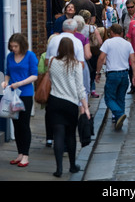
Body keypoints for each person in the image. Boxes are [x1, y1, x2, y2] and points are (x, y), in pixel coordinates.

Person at [47, 37, 90, 177]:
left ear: (60, 48)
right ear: (72, 49)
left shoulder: (52, 61)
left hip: (54, 101)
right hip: (70, 103)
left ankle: (58, 168)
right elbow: (80, 88)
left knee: (58, 135)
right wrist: (85, 107)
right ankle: (72, 166)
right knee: (71, 135)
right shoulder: (76, 64)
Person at [1, 33, 38, 167]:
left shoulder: (30, 56)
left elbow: (34, 76)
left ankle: (26, 155)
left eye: (15, 46)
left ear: (21, 45)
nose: (13, 49)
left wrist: (20, 83)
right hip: (12, 93)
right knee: (16, 124)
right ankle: (20, 153)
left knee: (24, 124)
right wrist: (5, 82)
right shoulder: (10, 56)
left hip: (25, 94)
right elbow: (8, 73)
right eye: (11, 46)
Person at [95, 24, 135, 130]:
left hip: (113, 74)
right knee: (120, 98)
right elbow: (133, 60)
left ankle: (119, 114)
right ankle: (119, 121)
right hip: (124, 74)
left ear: (112, 32)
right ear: (122, 33)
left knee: (109, 98)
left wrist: (97, 72)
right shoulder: (127, 44)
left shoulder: (108, 42)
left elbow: (101, 58)